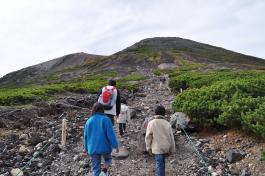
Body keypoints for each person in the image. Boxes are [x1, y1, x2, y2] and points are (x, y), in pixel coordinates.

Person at [84, 103, 119, 176]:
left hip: (92, 149)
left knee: (96, 168)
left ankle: (99, 174)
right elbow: (111, 135)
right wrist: (115, 146)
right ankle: (104, 171)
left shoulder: (89, 121)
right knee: (108, 159)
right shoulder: (106, 119)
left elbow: (85, 136)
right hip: (105, 147)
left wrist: (86, 148)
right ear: (102, 110)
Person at [145, 105, 176, 176]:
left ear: (155, 113)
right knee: (162, 163)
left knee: (159, 165)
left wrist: (148, 148)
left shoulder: (151, 123)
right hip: (166, 147)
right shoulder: (167, 123)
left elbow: (148, 137)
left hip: (157, 148)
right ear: (164, 113)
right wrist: (172, 149)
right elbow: (171, 137)